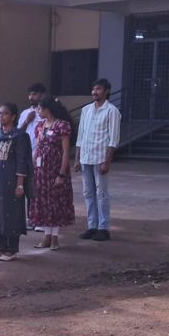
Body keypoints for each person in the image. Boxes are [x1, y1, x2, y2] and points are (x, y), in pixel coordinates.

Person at [0, 102, 32, 261]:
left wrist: (20, 184)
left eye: (5, 114)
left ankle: (12, 249)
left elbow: (22, 161)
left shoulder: (20, 136)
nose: (1, 116)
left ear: (13, 116)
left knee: (11, 212)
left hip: (11, 180)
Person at [74, 78, 120, 242]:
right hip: (86, 157)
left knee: (102, 193)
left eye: (98, 89)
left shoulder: (111, 111)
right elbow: (81, 136)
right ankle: (91, 226)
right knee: (88, 193)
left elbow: (113, 139)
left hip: (100, 157)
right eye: (93, 89)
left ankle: (103, 228)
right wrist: (77, 159)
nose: (95, 92)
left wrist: (107, 161)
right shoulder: (86, 110)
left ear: (106, 91)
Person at [29, 96, 75, 250]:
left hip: (55, 169)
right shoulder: (40, 126)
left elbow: (65, 151)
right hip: (42, 171)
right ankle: (46, 236)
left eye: (40, 108)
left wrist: (62, 173)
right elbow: (38, 147)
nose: (38, 111)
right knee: (44, 203)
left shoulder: (62, 125)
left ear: (47, 109)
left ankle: (55, 237)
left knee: (55, 202)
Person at [18, 83, 47, 156]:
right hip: (25, 154)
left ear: (43, 95)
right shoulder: (25, 113)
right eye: (30, 94)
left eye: (34, 94)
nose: (31, 97)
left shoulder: (47, 113)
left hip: (42, 154)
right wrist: (26, 121)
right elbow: (18, 133)